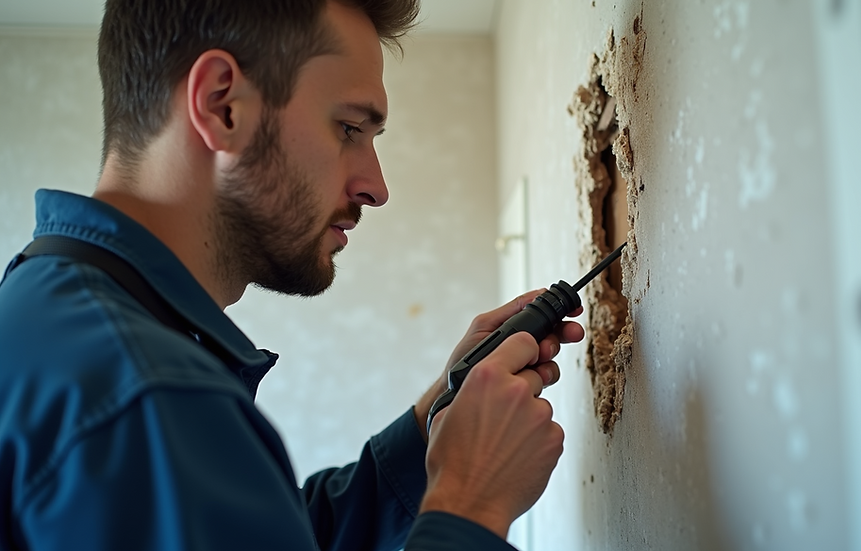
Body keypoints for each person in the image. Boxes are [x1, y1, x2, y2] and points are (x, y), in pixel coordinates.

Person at [0, 0, 584, 550]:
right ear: (222, 105)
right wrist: (470, 506)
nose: (376, 187)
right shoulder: (146, 396)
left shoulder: (52, 315)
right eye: (349, 129)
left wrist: (435, 426)